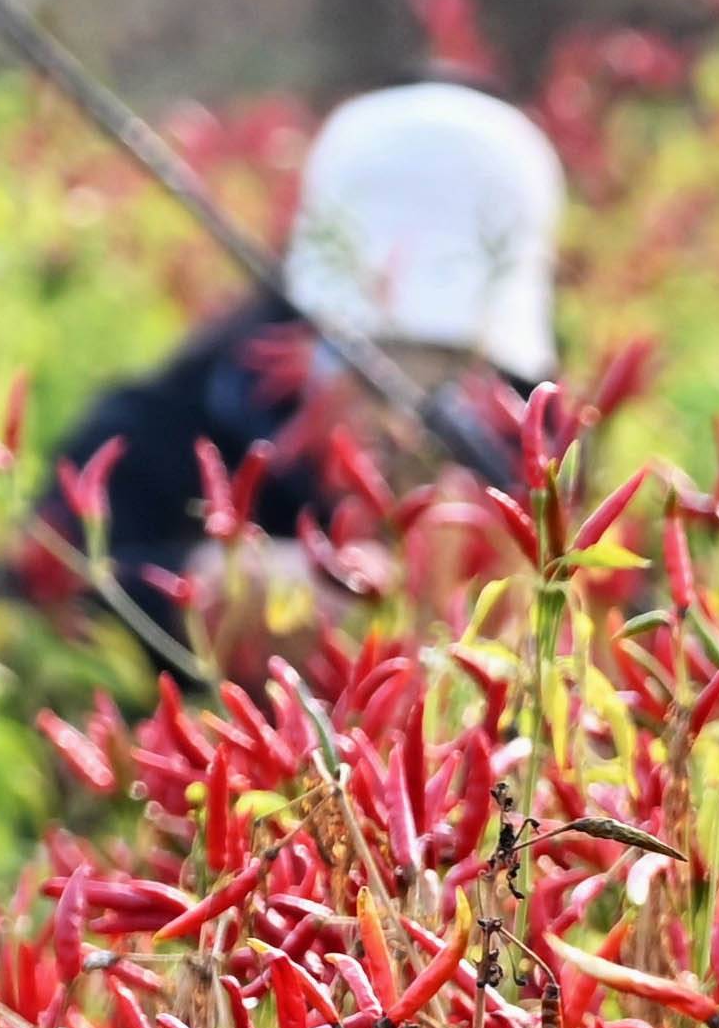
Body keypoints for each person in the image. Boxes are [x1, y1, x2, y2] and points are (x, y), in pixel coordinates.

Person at [28, 83, 561, 661]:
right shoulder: (179, 419)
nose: (403, 412)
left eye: (450, 360)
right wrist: (193, 590)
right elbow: (30, 586)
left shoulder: (532, 437)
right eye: (375, 352)